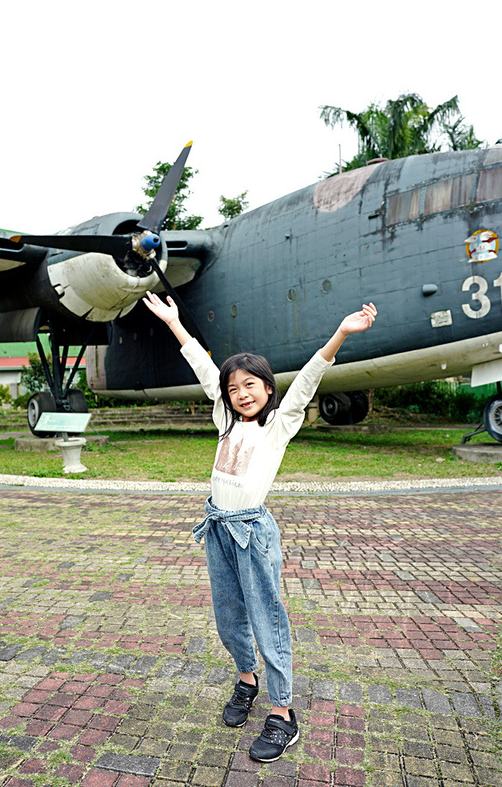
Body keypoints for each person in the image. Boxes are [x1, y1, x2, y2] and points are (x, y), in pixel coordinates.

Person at [141, 291, 377, 763]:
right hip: (218, 528)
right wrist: (174, 323)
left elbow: (310, 378)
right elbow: (202, 367)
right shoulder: (224, 418)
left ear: (268, 388)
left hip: (253, 533)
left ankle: (283, 715)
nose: (241, 393)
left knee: (267, 620)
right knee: (229, 617)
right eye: (234, 388)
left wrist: (342, 334)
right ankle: (246, 680)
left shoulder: (280, 424)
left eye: (250, 385)